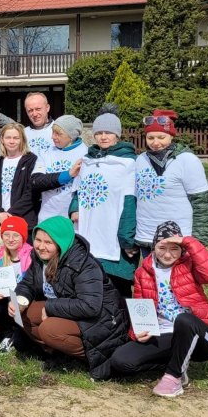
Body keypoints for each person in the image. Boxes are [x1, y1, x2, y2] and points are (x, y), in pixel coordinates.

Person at [107, 221, 208, 397]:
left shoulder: (189, 264)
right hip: (164, 332)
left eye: (174, 248)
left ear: (182, 249)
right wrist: (138, 332)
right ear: (154, 247)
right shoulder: (142, 272)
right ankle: (174, 364)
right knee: (121, 361)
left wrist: (188, 241)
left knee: (183, 320)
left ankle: (174, 377)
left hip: (202, 336)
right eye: (162, 247)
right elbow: (141, 307)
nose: (167, 254)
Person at [12, 216, 128, 379]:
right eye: (38, 240)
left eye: (48, 242)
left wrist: (51, 307)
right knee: (23, 312)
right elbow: (28, 283)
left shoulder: (84, 264)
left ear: (61, 243)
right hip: (67, 309)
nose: (41, 247)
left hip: (102, 320)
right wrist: (20, 299)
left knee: (49, 330)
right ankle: (56, 352)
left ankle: (89, 356)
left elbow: (90, 306)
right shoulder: (38, 258)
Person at [69, 106, 138, 297]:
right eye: (99, 133)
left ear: (117, 134)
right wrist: (74, 209)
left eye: (108, 132)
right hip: (90, 231)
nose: (103, 137)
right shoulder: (87, 160)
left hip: (113, 236)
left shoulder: (128, 163)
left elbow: (130, 201)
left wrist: (127, 238)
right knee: (92, 287)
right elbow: (77, 191)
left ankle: (123, 325)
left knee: (117, 290)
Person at [134, 109, 208, 253]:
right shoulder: (140, 160)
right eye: (150, 138)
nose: (155, 143)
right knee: (150, 275)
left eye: (161, 137)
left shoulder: (187, 160)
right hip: (146, 236)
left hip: (178, 238)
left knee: (177, 276)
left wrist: (198, 241)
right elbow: (134, 200)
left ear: (171, 136)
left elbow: (201, 204)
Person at [0, 216, 34, 353]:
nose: (10, 239)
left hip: (25, 302)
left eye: (16, 235)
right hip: (7, 300)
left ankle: (20, 332)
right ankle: (8, 333)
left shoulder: (31, 255)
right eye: (6, 235)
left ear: (23, 237)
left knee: (22, 346)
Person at [32, 115, 88, 223]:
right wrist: (67, 175)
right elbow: (36, 181)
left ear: (71, 136)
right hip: (46, 218)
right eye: (53, 132)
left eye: (58, 134)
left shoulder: (85, 154)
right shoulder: (46, 153)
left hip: (71, 220)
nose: (53, 137)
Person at [0, 122, 39, 232]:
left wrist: (11, 213)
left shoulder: (31, 160)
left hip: (24, 220)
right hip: (1, 221)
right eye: (8, 137)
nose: (12, 141)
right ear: (2, 140)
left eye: (16, 138)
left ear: (22, 140)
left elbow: (32, 192)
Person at [23, 91, 55, 161]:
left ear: (47, 108)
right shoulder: (22, 134)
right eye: (30, 110)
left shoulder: (60, 131)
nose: (34, 114)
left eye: (38, 109)